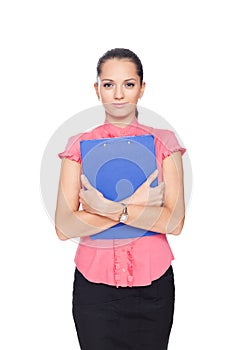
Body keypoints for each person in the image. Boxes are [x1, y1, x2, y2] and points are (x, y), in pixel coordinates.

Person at [55, 48, 186, 350]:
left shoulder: (164, 142)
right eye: (108, 84)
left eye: (128, 84)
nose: (118, 94)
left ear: (142, 88)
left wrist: (106, 208)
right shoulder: (78, 145)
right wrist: (137, 205)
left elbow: (175, 221)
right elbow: (64, 226)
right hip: (94, 292)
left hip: (154, 290)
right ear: (97, 88)